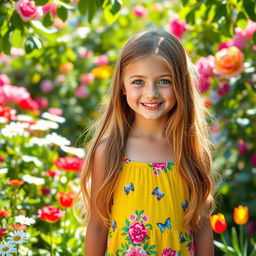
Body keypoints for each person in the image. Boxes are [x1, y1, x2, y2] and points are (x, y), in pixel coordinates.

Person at [80, 29, 216, 256]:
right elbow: (97, 226)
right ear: (122, 86)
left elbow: (201, 228)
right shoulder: (110, 150)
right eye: (138, 82)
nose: (151, 93)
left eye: (164, 81)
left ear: (180, 85)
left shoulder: (190, 149)